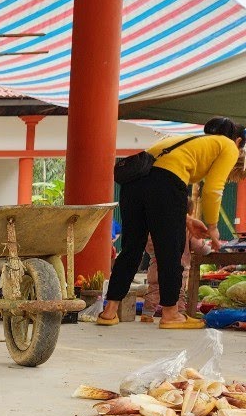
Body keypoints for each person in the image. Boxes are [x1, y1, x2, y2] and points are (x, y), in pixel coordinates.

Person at [99, 116, 244, 329]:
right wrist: (212, 227)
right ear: (238, 141)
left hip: (134, 182)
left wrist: (185, 219)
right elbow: (213, 189)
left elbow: (155, 186)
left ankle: (109, 311)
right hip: (166, 185)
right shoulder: (228, 146)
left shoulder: (188, 141)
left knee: (131, 248)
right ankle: (171, 314)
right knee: (170, 250)